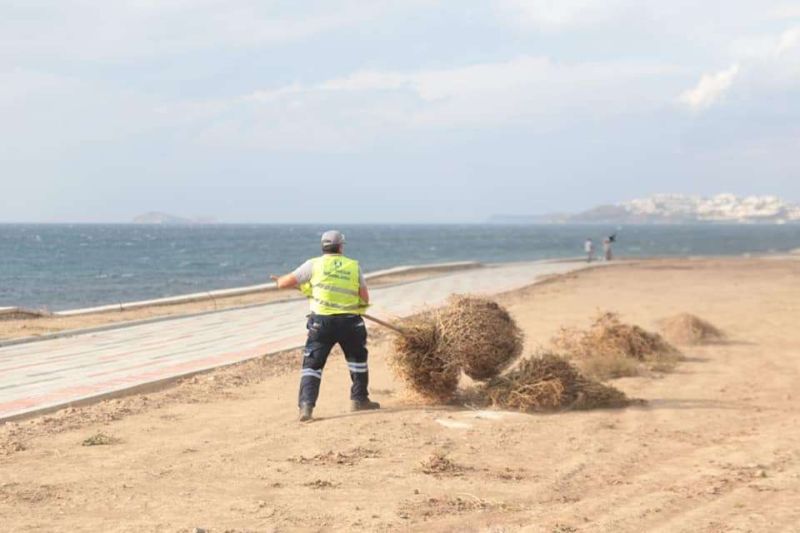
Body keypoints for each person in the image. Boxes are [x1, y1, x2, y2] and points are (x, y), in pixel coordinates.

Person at [271, 230, 380, 422]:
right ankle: (359, 400)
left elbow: (284, 284)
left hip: (322, 323)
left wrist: (287, 282)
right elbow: (364, 298)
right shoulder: (353, 266)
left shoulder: (313, 264)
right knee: (357, 361)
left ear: (323, 246)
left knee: (312, 366)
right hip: (351, 322)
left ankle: (306, 408)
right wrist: (356, 310)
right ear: (341, 246)